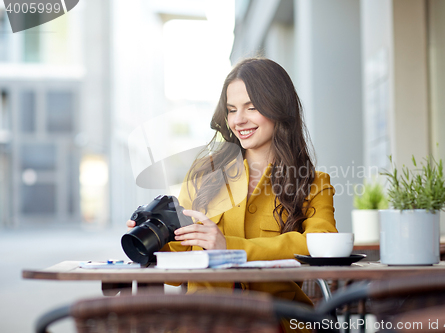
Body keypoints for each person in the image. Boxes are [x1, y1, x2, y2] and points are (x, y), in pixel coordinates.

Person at [127, 57, 337, 331]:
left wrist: (230, 248)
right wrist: (154, 239)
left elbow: (323, 244)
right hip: (205, 322)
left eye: (252, 107)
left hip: (280, 322)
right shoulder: (204, 174)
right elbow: (178, 265)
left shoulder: (313, 183)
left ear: (279, 108)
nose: (239, 120)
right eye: (232, 109)